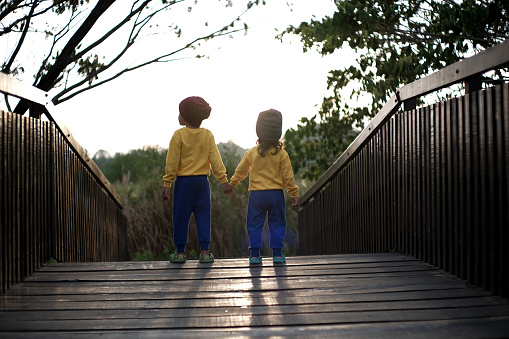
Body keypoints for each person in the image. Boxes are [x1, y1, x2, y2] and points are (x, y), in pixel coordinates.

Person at [162, 96, 232, 264]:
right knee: (203, 216)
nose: (178, 116)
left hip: (183, 183)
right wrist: (223, 181)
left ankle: (179, 253)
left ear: (186, 116)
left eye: (180, 113)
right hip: (202, 183)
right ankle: (205, 252)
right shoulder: (207, 135)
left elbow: (172, 161)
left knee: (181, 216)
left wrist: (167, 183)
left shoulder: (179, 135)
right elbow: (215, 159)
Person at [229, 109, 299, 264]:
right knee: (277, 222)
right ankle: (277, 254)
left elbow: (240, 171)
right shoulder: (282, 154)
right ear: (278, 132)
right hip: (275, 195)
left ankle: (254, 255)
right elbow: (288, 177)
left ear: (258, 130)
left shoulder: (252, 153)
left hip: (257, 196)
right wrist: (294, 194)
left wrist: (232, 184)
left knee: (254, 224)